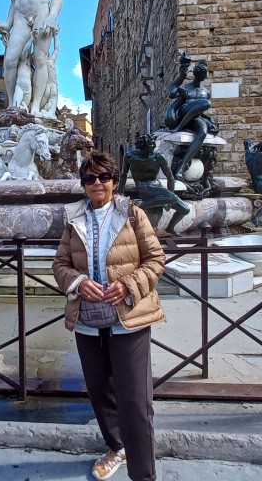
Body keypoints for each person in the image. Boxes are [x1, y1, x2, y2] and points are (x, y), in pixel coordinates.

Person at [53, 151, 166, 481]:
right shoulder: (74, 219)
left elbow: (155, 259)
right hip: (87, 318)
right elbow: (60, 264)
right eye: (89, 178)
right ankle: (117, 448)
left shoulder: (132, 214)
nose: (97, 183)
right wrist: (78, 282)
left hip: (128, 316)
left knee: (135, 400)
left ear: (114, 181)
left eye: (103, 177)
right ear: (83, 184)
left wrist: (128, 285)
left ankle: (143, 474)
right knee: (99, 390)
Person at [118, 133, 190, 236]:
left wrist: (169, 198)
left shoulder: (158, 157)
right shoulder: (130, 156)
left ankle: (170, 228)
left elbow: (170, 177)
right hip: (143, 187)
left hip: (157, 186)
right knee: (173, 197)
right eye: (150, 145)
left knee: (185, 209)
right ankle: (140, 204)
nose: (153, 147)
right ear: (143, 146)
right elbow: (123, 175)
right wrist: (120, 193)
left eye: (153, 144)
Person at [163, 53, 219, 181]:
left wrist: (209, 120)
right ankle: (179, 127)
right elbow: (172, 94)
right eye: (203, 74)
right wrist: (180, 79)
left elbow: (200, 111)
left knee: (203, 131)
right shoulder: (186, 88)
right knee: (206, 103)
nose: (204, 76)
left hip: (194, 119)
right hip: (181, 115)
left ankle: (181, 167)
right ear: (197, 74)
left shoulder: (206, 92)